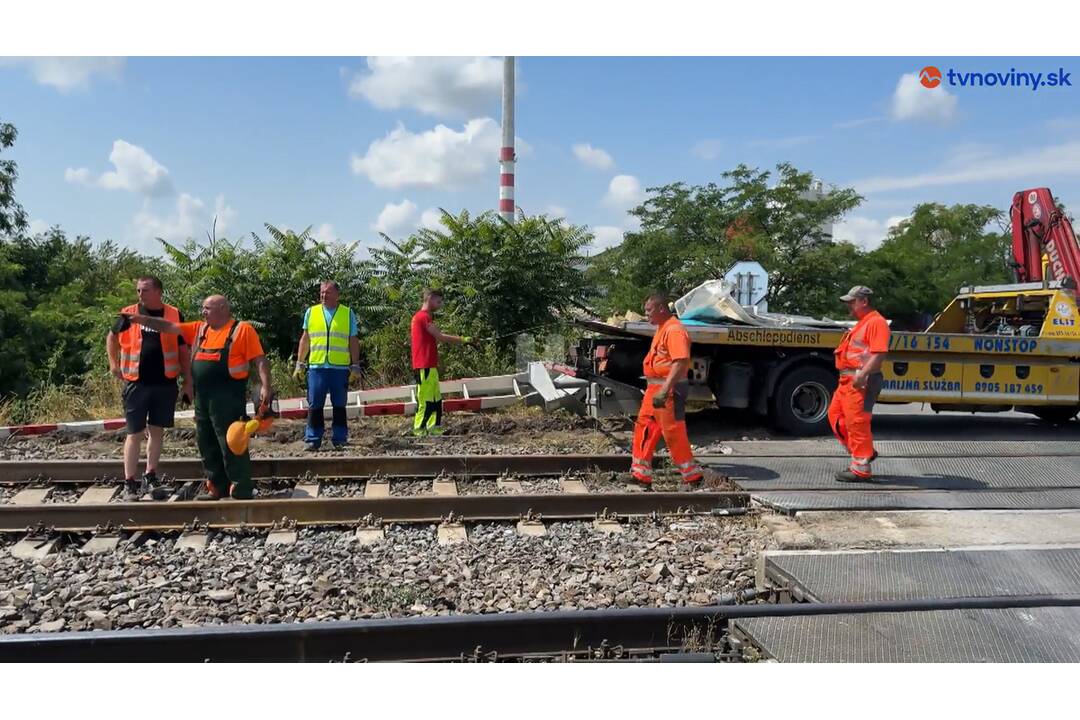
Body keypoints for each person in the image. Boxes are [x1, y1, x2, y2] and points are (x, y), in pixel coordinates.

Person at [123, 295, 272, 500]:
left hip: (228, 399)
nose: (203, 312)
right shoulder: (200, 329)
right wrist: (141, 320)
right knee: (206, 443)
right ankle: (216, 487)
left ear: (222, 308)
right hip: (203, 399)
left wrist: (266, 387)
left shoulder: (242, 330)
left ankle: (241, 488)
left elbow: (260, 360)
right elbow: (168, 326)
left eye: (207, 308)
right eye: (203, 308)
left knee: (232, 442)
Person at [107, 276, 193, 501]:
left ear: (158, 292)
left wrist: (188, 380)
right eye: (138, 290)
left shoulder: (173, 314)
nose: (140, 295)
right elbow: (112, 338)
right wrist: (113, 364)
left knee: (157, 431)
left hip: (165, 382)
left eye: (144, 290)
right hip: (137, 382)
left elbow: (183, 349)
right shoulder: (128, 314)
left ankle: (150, 475)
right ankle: (129, 482)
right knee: (134, 433)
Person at [630, 293, 705, 487]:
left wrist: (664, 390)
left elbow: (680, 362)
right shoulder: (663, 327)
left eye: (649, 310)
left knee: (673, 432)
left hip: (668, 389)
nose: (646, 314)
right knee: (645, 426)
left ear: (661, 308)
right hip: (656, 387)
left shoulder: (674, 330)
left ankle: (692, 477)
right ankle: (640, 475)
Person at [829, 285, 890, 482]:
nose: (849, 306)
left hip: (860, 382)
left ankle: (861, 468)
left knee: (857, 423)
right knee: (836, 416)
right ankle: (865, 452)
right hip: (848, 381)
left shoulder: (876, 323)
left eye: (852, 302)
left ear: (864, 301)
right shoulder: (863, 323)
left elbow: (879, 353)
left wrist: (862, 375)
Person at [293, 280, 361, 451]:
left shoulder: (347, 313)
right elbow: (305, 339)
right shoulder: (311, 312)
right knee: (315, 404)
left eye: (328, 292)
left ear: (337, 295)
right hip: (317, 367)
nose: (324, 295)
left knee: (339, 405)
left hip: (339, 368)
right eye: (322, 292)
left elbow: (353, 340)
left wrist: (355, 365)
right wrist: (300, 363)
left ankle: (340, 439)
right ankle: (313, 439)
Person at [410, 289, 471, 436]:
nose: (440, 305)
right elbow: (441, 337)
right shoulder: (423, 317)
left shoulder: (424, 317)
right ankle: (419, 429)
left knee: (435, 399)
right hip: (424, 365)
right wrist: (463, 340)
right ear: (430, 299)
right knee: (426, 399)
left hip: (430, 365)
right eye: (438, 301)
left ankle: (433, 427)